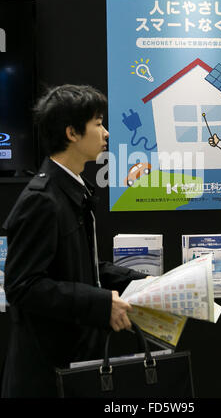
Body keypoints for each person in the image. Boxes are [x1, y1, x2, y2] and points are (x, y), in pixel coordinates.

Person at [1, 84, 147, 398]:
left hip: (75, 363)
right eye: (97, 124)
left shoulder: (71, 189)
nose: (106, 133)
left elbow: (79, 267)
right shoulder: (42, 200)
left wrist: (144, 284)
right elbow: (22, 286)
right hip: (47, 376)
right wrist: (100, 303)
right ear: (72, 133)